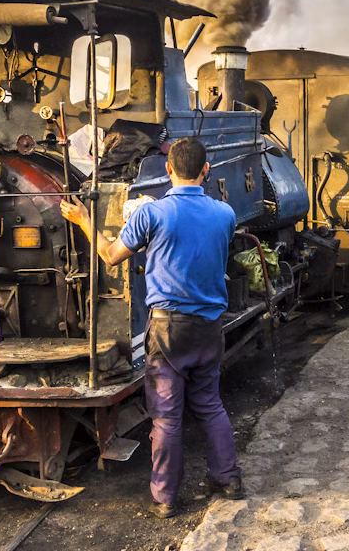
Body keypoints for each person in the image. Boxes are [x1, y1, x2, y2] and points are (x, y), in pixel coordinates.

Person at [60, 136, 243, 519]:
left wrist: (85, 221)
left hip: (167, 331)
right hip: (210, 327)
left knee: (167, 417)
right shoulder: (225, 214)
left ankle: (166, 499)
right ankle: (228, 481)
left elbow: (111, 256)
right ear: (206, 171)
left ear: (168, 170)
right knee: (210, 405)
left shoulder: (152, 214)